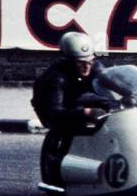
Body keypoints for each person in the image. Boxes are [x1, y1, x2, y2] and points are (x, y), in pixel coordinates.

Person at [32, 32, 109, 187]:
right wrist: (84, 113)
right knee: (66, 129)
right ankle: (56, 174)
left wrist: (130, 95)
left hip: (82, 100)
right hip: (58, 109)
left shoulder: (96, 67)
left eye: (90, 61)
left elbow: (111, 84)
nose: (87, 67)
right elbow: (54, 112)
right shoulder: (56, 78)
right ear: (69, 61)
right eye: (81, 63)